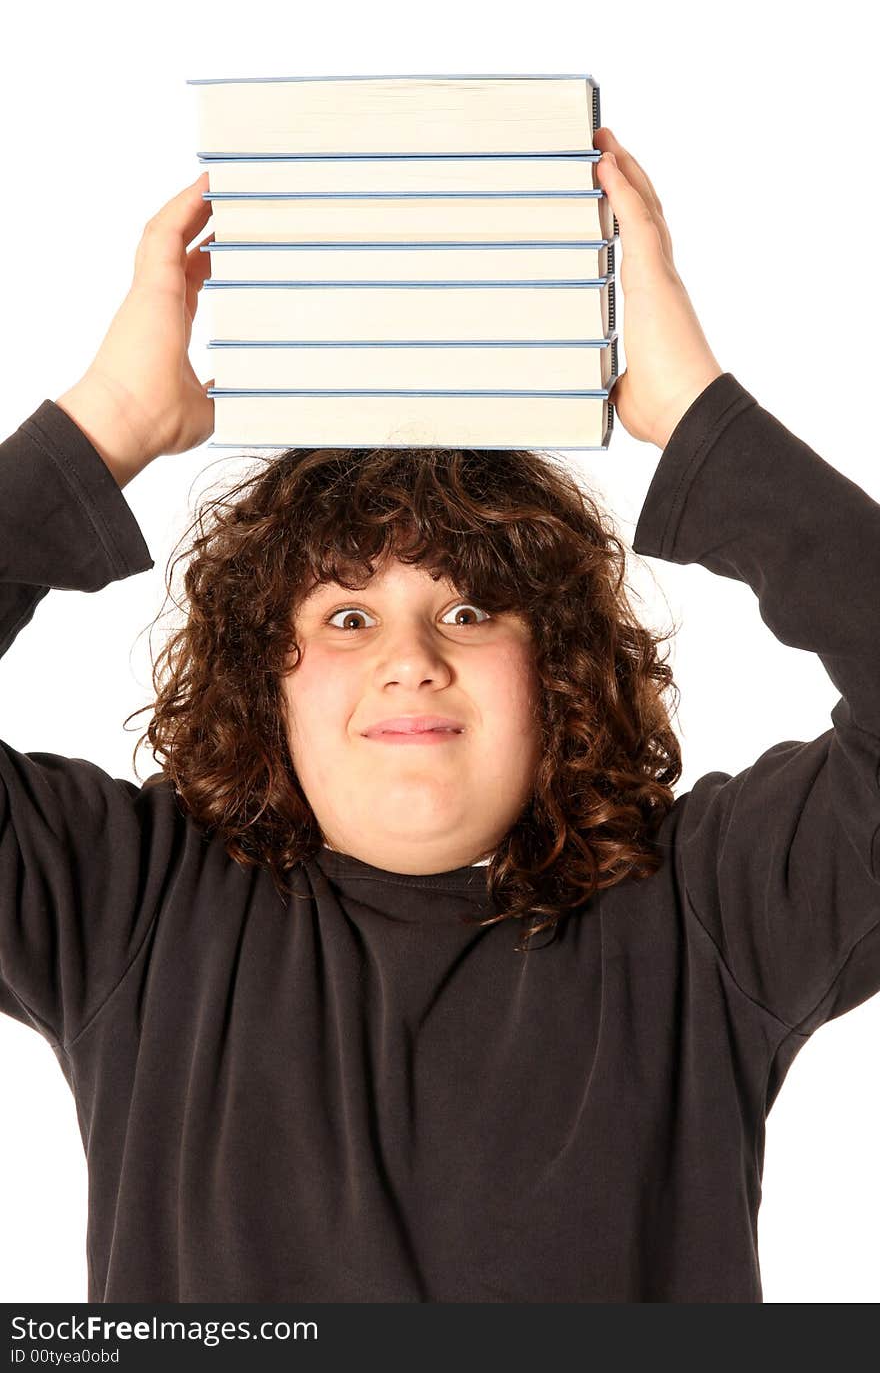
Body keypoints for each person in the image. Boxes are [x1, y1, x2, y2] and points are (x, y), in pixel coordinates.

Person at [1, 129, 878, 1304]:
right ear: (269, 674)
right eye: (349, 619)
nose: (411, 661)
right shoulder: (126, 900)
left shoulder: (710, 904)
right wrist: (104, 421)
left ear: (556, 669)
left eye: (469, 611)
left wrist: (697, 415)